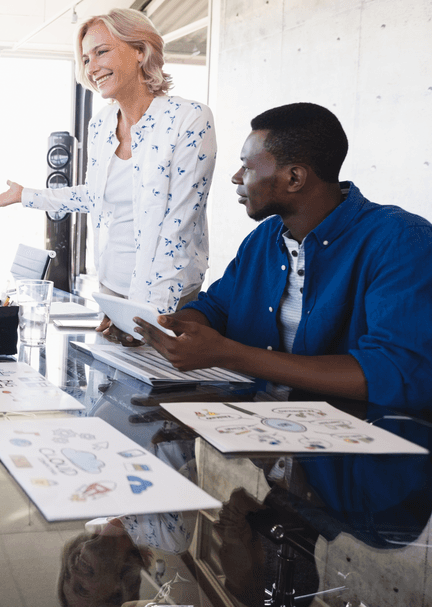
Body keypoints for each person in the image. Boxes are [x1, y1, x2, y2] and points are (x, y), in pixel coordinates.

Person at [134, 103, 432, 413]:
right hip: (253, 421)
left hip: (346, 445)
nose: (237, 177)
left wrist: (230, 354)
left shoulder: (402, 240)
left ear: (294, 178)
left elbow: (397, 372)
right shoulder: (264, 238)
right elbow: (216, 310)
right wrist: (152, 327)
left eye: (247, 167)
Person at [0, 8, 216, 339]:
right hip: (111, 293)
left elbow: (177, 228)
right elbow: (94, 195)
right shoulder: (102, 124)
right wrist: (26, 196)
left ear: (140, 50)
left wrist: (145, 317)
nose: (92, 67)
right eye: (86, 59)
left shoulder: (188, 118)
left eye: (101, 52)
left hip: (166, 300)